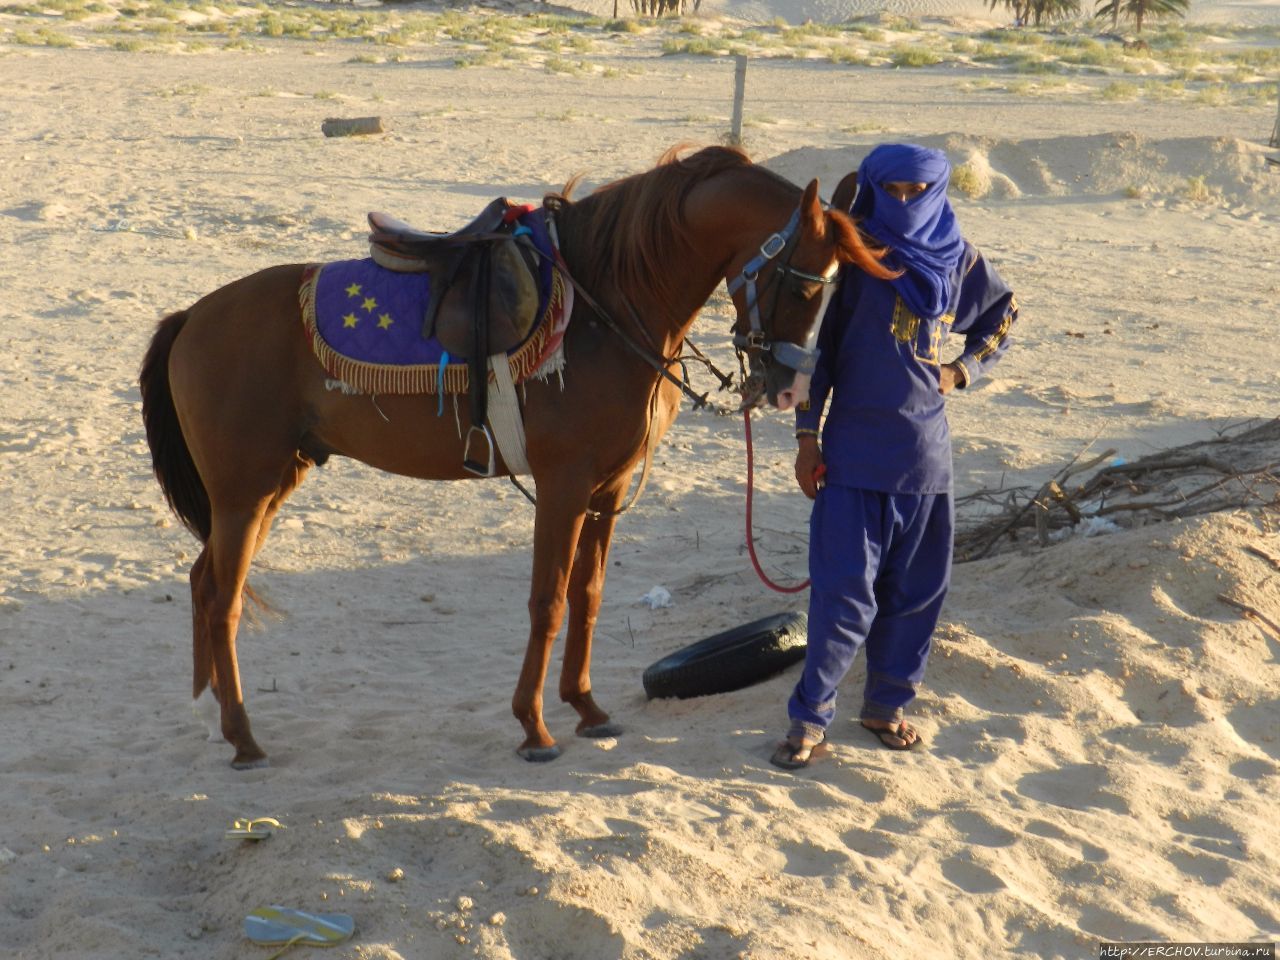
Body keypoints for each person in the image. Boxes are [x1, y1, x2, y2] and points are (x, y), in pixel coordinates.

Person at [770, 143, 1017, 770]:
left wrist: (962, 371)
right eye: (893, 191)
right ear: (876, 190)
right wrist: (807, 438)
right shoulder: (849, 257)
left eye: (917, 191)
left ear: (937, 192)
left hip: (927, 462)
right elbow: (816, 356)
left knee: (916, 595)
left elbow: (1003, 317)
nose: (904, 202)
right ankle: (810, 718)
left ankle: (885, 706)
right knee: (842, 596)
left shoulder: (958, 259)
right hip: (851, 458)